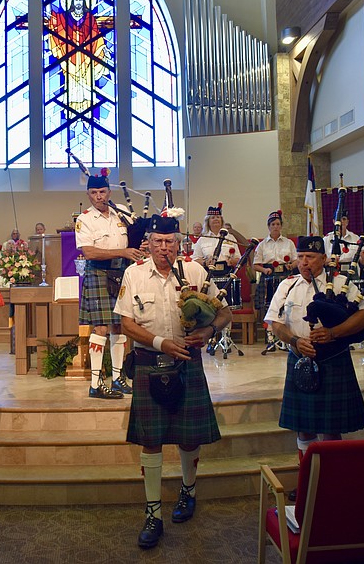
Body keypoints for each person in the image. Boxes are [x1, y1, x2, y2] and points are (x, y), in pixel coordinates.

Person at [115, 213, 231, 549]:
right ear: (148, 244)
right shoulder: (133, 274)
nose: (164, 248)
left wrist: (209, 330)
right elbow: (126, 324)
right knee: (150, 441)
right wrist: (160, 342)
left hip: (188, 365)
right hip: (151, 362)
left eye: (170, 242)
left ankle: (188, 491)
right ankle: (153, 513)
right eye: (158, 242)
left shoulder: (194, 272)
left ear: (178, 244)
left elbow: (224, 311)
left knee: (188, 438)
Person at [264, 236, 364, 464]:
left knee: (331, 429)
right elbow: (275, 322)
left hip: (332, 359)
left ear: (323, 258)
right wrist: (294, 341)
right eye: (301, 257)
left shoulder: (341, 283)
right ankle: (307, 479)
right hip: (299, 359)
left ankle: (330, 481)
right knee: (303, 429)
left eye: (310, 257)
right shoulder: (287, 285)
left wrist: (334, 333)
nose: (304, 262)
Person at [76, 170, 143, 399]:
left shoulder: (121, 214)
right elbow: (89, 251)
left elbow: (134, 238)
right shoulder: (84, 219)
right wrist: (122, 251)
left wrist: (138, 247)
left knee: (119, 326)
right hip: (99, 272)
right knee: (101, 328)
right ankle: (95, 383)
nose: (98, 196)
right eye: (93, 192)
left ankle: (117, 379)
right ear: (88, 194)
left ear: (109, 192)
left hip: (122, 271)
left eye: (102, 192)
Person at [253, 210, 298, 347]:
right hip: (268, 276)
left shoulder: (288, 243)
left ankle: (285, 338)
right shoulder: (262, 245)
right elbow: (255, 265)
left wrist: (292, 265)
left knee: (285, 305)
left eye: (278, 224)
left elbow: (296, 260)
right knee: (268, 306)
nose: (276, 226)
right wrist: (264, 270)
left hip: (285, 276)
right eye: (273, 224)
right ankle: (270, 336)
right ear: (269, 226)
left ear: (281, 226)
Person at [192, 203, 244, 270]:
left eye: (218, 217)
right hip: (208, 272)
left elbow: (238, 258)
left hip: (227, 272)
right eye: (213, 218)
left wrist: (232, 261)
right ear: (208, 221)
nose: (216, 219)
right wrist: (205, 262)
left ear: (221, 221)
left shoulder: (230, 238)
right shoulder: (202, 239)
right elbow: (195, 259)